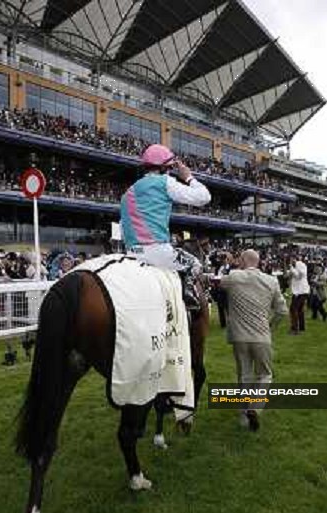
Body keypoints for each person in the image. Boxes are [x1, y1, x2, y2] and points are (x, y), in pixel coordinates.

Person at [120, 144, 211, 309]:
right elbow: (204, 197)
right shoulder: (165, 182)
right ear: (163, 168)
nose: (170, 172)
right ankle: (188, 298)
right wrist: (189, 177)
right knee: (195, 264)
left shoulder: (129, 191)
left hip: (130, 253)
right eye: (169, 168)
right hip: (158, 252)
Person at [219, 249, 288, 431]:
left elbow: (219, 282)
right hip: (262, 336)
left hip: (239, 337)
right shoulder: (271, 281)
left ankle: (243, 416)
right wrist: (270, 327)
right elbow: (282, 311)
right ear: (258, 262)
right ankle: (255, 408)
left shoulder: (233, 276)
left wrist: (232, 266)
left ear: (242, 260)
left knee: (245, 375)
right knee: (265, 375)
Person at [288, 255, 310, 334]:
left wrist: (291, 269)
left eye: (291, 259)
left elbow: (299, 276)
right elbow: (289, 276)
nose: (290, 261)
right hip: (299, 291)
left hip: (301, 291)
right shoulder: (296, 266)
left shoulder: (300, 264)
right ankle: (301, 327)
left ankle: (295, 328)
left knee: (293, 309)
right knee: (299, 310)